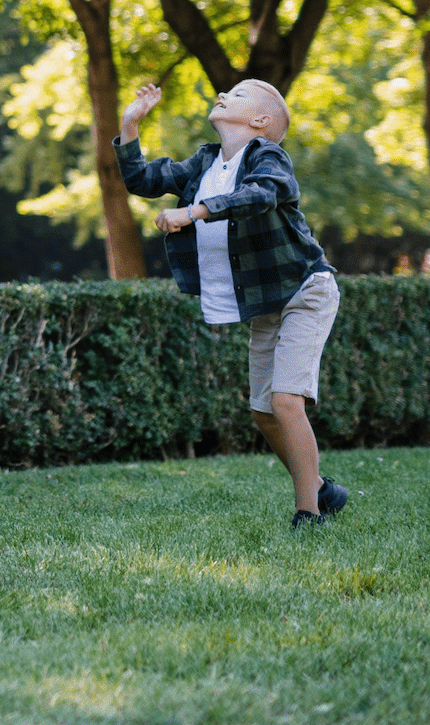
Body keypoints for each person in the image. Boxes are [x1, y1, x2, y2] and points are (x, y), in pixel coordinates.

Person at [115, 79, 348, 529]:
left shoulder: (267, 156)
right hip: (265, 301)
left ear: (260, 121)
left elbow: (261, 195)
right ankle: (319, 487)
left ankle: (309, 514)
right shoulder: (205, 161)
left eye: (238, 94)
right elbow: (143, 179)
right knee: (263, 414)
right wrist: (130, 125)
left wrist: (193, 212)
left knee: (285, 402)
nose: (224, 94)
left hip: (306, 290)